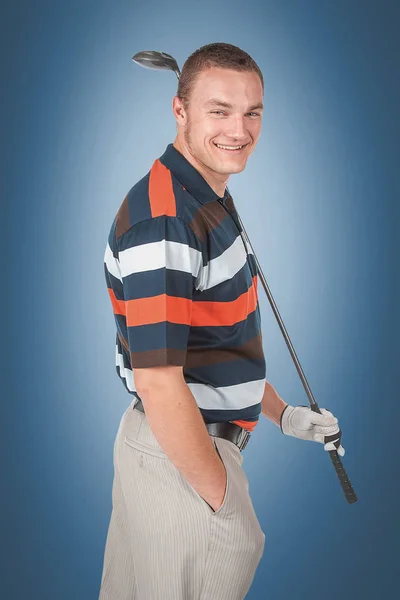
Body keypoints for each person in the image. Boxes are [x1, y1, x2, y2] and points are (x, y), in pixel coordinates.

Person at [99, 42, 345, 600]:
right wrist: (219, 496)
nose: (240, 129)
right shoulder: (166, 221)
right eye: (219, 110)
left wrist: (282, 414)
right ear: (179, 110)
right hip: (181, 461)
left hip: (170, 452)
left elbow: (213, 342)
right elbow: (160, 380)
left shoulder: (205, 195)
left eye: (252, 111)